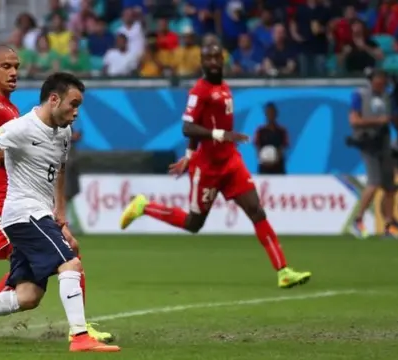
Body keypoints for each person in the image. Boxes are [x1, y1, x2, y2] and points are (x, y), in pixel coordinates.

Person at [0, 73, 121, 353]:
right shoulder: (21, 127)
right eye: (73, 104)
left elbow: (59, 169)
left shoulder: (64, 132)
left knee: (28, 295)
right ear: (54, 99)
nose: (76, 112)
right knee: (70, 263)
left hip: (40, 214)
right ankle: (80, 336)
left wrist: (60, 216)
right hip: (24, 213)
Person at [119, 42, 311, 289]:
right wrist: (215, 138)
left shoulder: (224, 86)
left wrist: (189, 152)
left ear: (222, 60)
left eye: (216, 57)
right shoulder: (199, 91)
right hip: (208, 167)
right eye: (207, 58)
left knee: (257, 211)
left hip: (230, 161)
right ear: (201, 62)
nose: (212, 62)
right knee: (193, 224)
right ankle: (144, 206)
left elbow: (197, 127)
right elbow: (188, 127)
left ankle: (283, 271)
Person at [348, 69, 398, 239]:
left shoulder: (387, 97)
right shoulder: (360, 95)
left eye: (384, 79)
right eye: (378, 78)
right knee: (374, 182)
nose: (382, 82)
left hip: (383, 142)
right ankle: (358, 220)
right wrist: (378, 121)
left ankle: (389, 227)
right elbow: (354, 120)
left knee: (390, 187)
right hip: (368, 141)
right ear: (371, 80)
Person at [254, 102, 288, 174]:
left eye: (272, 112)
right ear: (265, 114)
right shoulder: (260, 131)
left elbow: (283, 148)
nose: (270, 114)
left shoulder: (282, 131)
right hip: (264, 168)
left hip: (278, 168)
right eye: (268, 112)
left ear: (276, 114)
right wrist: (265, 161)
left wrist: (274, 160)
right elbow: (258, 148)